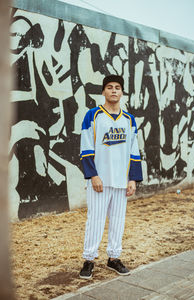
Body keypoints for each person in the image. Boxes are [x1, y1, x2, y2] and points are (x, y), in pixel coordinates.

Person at [79, 74, 143, 279]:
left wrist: (132, 179)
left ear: (122, 92)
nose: (114, 90)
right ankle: (89, 260)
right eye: (109, 87)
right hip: (100, 180)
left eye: (117, 87)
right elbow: (86, 147)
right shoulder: (93, 115)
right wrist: (93, 175)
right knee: (95, 220)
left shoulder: (129, 119)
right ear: (103, 91)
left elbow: (134, 150)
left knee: (118, 220)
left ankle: (114, 258)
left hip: (121, 181)